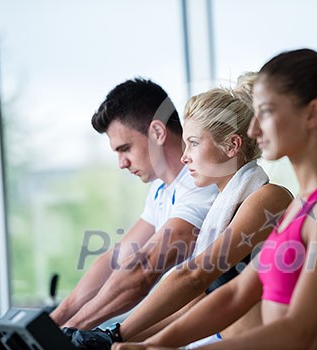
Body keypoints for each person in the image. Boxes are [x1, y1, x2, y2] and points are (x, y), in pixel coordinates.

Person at [114, 48, 317, 350]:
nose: (253, 128)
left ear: (312, 114)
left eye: (267, 112)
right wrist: (151, 344)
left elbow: (297, 330)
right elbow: (234, 296)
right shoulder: (301, 204)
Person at [66, 73, 294, 349]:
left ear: (232, 145)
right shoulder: (225, 208)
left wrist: (117, 334)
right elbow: (196, 303)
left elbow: (194, 277)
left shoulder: (267, 198)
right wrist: (115, 338)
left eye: (194, 143)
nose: (185, 156)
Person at [50, 78, 219, 331]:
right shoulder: (160, 189)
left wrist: (73, 329)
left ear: (158, 133)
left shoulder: (201, 184)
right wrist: (55, 321)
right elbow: (116, 259)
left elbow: (145, 269)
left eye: (125, 149)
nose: (122, 163)